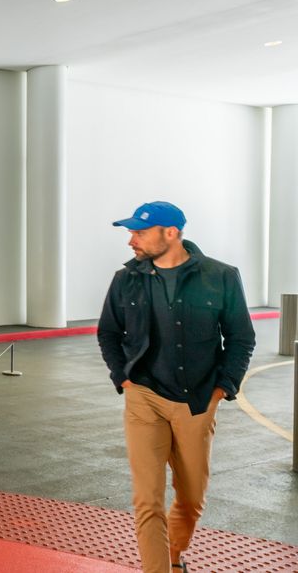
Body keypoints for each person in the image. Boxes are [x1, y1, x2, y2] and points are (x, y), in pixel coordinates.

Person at [97, 201, 255, 573]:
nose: (131, 241)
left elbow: (241, 339)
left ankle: (172, 556)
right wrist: (123, 378)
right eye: (131, 232)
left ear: (171, 233)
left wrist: (221, 390)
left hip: (197, 401)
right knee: (147, 500)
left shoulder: (221, 276)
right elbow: (108, 332)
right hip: (144, 398)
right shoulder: (126, 279)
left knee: (191, 498)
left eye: (139, 232)